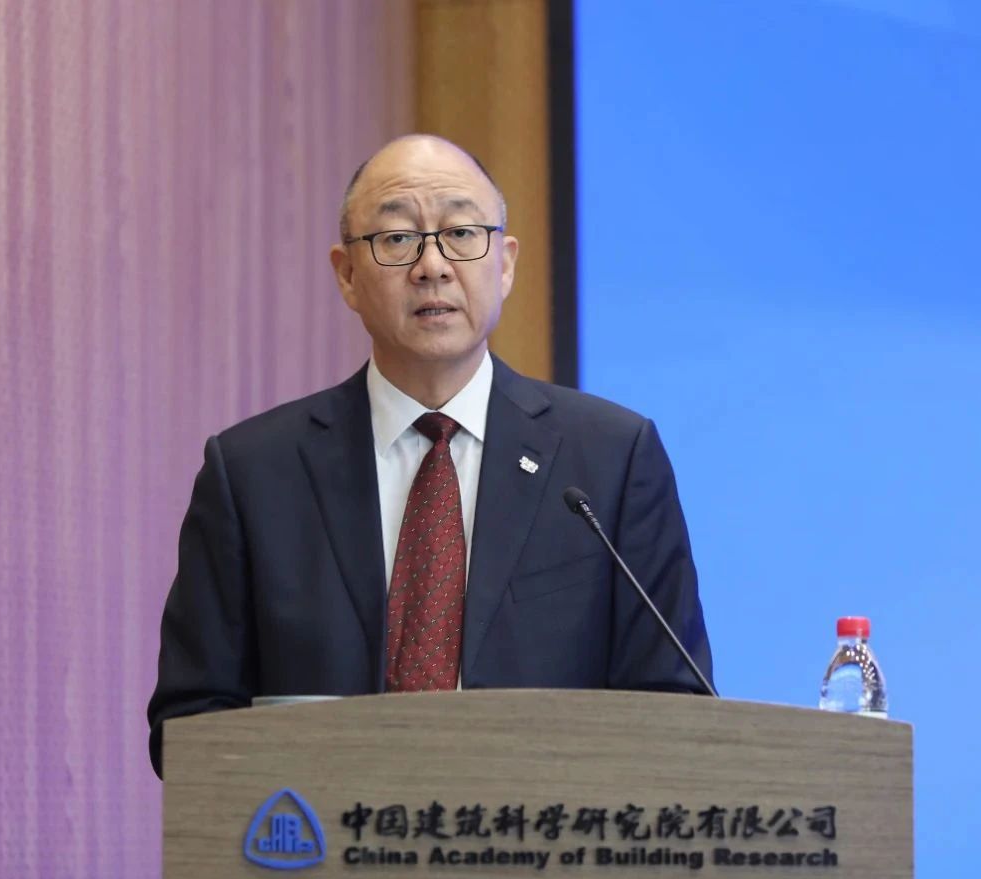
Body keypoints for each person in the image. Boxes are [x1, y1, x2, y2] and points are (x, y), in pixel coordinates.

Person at [146, 135, 712, 777]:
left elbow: (674, 706)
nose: (433, 266)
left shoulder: (612, 459)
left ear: (505, 264)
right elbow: (188, 723)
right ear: (346, 275)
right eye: (397, 239)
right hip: (321, 832)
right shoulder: (253, 473)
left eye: (461, 233)